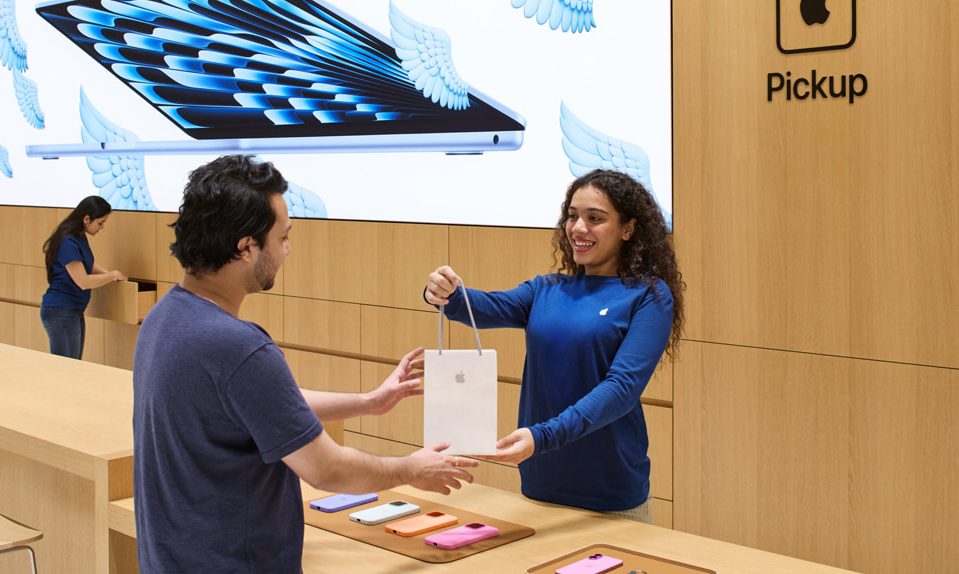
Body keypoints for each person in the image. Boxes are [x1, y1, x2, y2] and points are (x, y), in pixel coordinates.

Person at [133, 155, 477, 573]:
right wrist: (409, 469)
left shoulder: (165, 318)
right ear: (245, 247)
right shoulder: (238, 347)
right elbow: (326, 468)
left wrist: (369, 402)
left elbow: (265, 406)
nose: (287, 250)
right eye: (282, 237)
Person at [425, 168, 684, 523]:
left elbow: (621, 389)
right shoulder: (547, 289)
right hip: (539, 485)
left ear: (628, 229)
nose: (578, 228)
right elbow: (484, 307)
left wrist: (542, 436)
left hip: (611, 494)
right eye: (573, 216)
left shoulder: (649, 296)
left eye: (595, 218)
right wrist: (445, 293)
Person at [40, 195, 125, 359]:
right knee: (68, 367)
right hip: (60, 310)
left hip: (73, 310)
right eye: (100, 223)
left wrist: (110, 274)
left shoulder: (79, 237)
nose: (102, 228)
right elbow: (83, 281)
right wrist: (111, 276)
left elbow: (87, 265)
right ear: (86, 219)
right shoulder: (68, 242)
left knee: (75, 364)